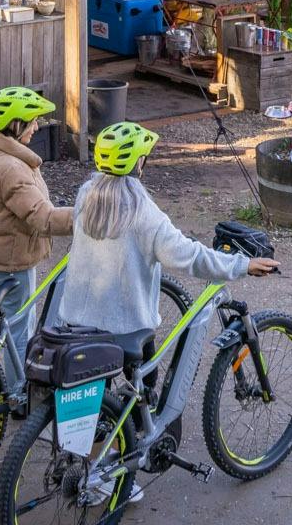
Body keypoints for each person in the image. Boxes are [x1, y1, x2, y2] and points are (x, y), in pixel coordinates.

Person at [50, 123, 278, 361]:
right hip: (123, 330)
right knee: (145, 375)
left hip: (74, 323)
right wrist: (243, 265)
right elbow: (190, 257)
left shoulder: (86, 194)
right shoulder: (144, 213)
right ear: (139, 163)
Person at [0, 87, 74, 386]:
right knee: (18, 330)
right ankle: (19, 393)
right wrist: (86, 216)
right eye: (32, 120)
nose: (36, 126)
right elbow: (43, 218)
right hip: (10, 263)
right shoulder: (13, 168)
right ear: (16, 124)